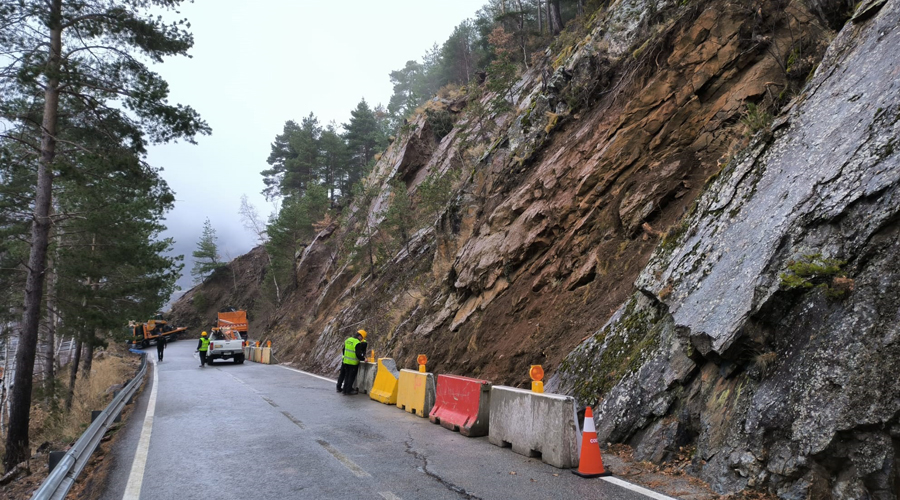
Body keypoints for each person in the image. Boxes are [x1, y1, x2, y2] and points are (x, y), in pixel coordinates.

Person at [336, 329, 368, 395]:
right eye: (362, 338)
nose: (361, 339)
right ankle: (348, 390)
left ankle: (345, 389)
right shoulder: (357, 342)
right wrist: (363, 359)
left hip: (346, 361)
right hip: (353, 363)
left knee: (346, 376)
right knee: (351, 377)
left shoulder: (348, 340)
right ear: (360, 336)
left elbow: (344, 350)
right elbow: (358, 354)